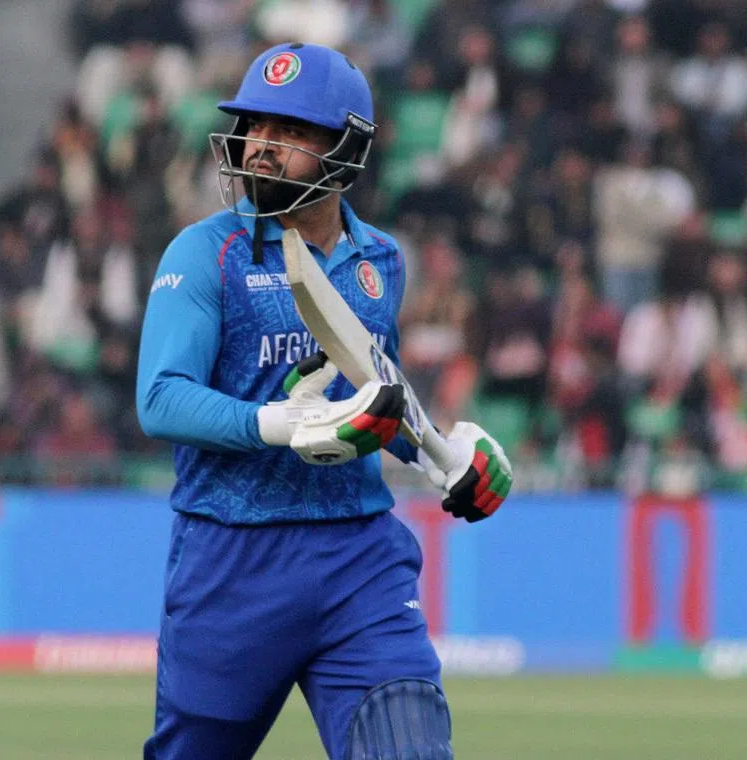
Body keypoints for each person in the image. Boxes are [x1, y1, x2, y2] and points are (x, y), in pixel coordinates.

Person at [136, 42, 513, 760]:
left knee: (409, 744)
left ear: (345, 147)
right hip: (233, 556)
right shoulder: (203, 252)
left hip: (357, 551)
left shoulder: (381, 262)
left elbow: (376, 389)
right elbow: (160, 399)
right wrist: (278, 424)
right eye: (255, 126)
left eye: (291, 131)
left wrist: (444, 454)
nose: (262, 147)